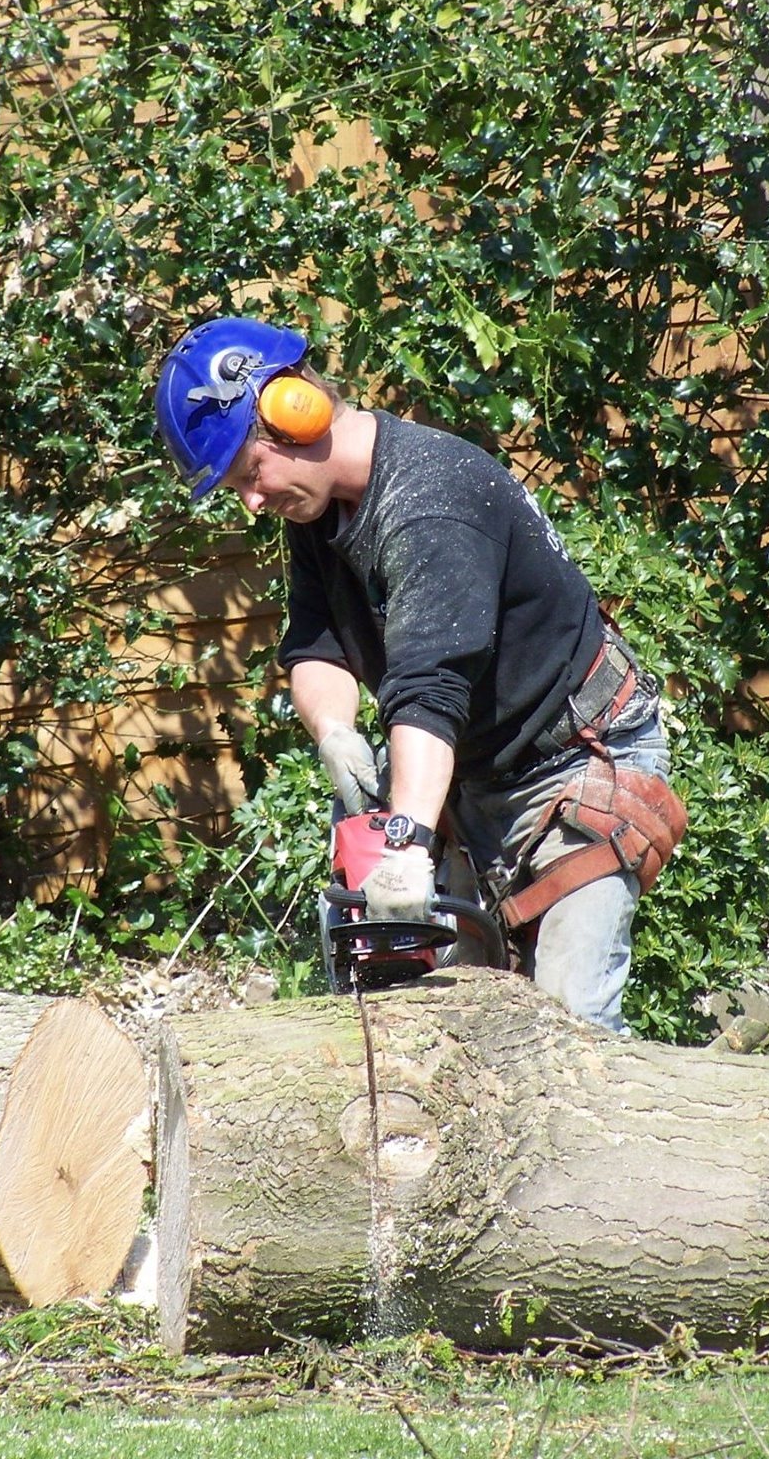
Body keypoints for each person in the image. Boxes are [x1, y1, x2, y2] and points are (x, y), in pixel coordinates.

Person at [154, 315, 685, 1034]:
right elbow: (316, 645)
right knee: (451, 1034)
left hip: (575, 764)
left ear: (295, 413)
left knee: (572, 1029)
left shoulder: (432, 504)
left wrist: (404, 843)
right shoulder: (319, 512)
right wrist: (336, 731)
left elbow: (430, 691)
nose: (251, 500)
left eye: (250, 473)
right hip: (471, 780)